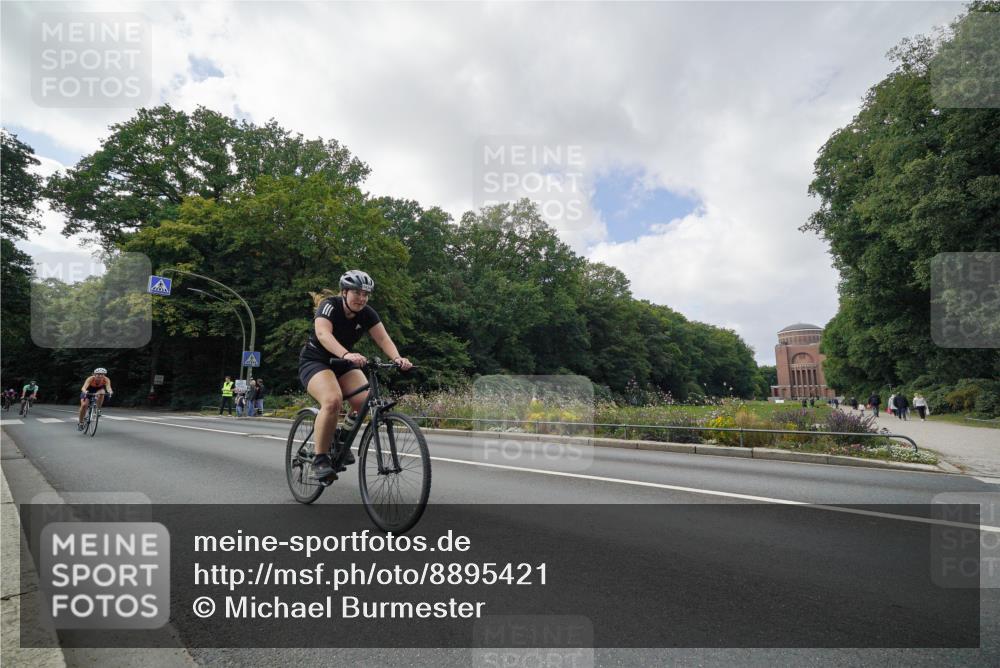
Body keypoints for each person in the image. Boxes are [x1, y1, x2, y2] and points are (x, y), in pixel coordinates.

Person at [298, 270, 412, 480]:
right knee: (333, 401)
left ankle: (341, 437)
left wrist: (397, 358)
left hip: (344, 363)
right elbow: (323, 334)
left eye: (366, 294)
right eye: (357, 293)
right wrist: (346, 354)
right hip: (316, 361)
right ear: (344, 292)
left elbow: (383, 339)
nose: (362, 298)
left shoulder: (367, 313)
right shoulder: (330, 306)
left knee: (363, 402)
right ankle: (320, 459)